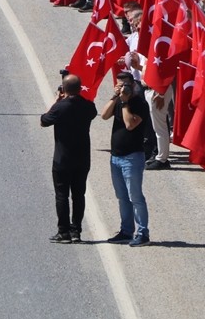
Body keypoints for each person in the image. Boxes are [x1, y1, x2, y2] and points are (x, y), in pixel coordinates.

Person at [40, 75, 98, 243]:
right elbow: (92, 111)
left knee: (62, 195)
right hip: (82, 159)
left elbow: (44, 120)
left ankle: (63, 232)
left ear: (63, 90)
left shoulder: (60, 107)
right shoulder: (88, 107)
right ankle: (76, 231)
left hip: (62, 159)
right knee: (79, 195)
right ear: (80, 89)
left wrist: (57, 100)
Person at [102, 72, 151, 246]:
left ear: (132, 85)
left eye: (125, 85)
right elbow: (104, 115)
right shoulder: (118, 100)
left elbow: (130, 124)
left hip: (132, 157)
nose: (122, 87)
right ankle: (126, 231)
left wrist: (124, 102)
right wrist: (115, 96)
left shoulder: (139, 104)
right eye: (119, 84)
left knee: (135, 197)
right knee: (122, 196)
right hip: (116, 157)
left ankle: (143, 233)